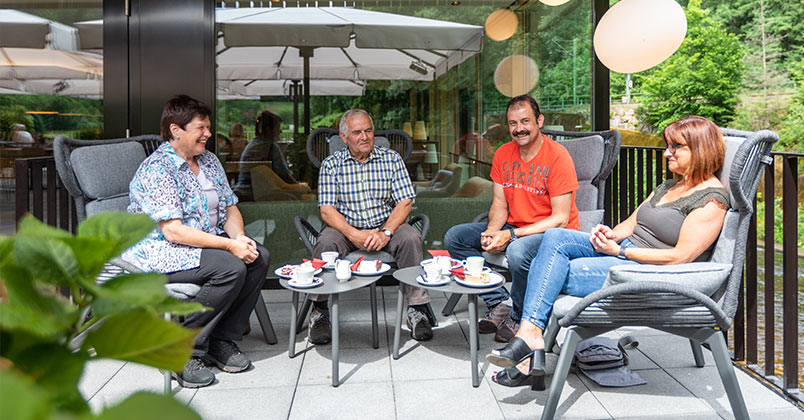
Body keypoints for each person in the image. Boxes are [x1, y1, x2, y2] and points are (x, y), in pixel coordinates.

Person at [486, 115, 730, 390]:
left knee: (549, 271)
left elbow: (680, 257)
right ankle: (531, 336)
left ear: (700, 150)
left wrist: (621, 253)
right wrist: (609, 235)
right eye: (668, 145)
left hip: (643, 270)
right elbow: (631, 223)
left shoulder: (711, 199)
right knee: (555, 238)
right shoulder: (669, 187)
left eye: (676, 147)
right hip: (621, 252)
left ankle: (529, 343)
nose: (667, 153)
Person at [123, 95, 270, 388]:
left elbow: (230, 207)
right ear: (176, 130)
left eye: (208, 127)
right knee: (230, 267)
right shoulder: (157, 169)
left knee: (258, 256)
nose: (209, 134)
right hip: (161, 251)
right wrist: (229, 246)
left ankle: (222, 340)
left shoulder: (210, 161)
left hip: (201, 244)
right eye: (201, 127)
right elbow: (173, 232)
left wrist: (239, 238)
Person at [444, 95, 581, 343]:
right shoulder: (503, 154)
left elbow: (560, 219)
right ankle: (499, 302)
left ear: (539, 121)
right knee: (455, 237)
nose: (519, 129)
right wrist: (492, 232)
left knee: (517, 252)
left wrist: (510, 236)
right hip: (514, 226)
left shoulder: (558, 157)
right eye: (512, 123)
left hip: (553, 234)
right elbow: (499, 203)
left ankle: (519, 315)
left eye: (525, 121)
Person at [308, 108, 434, 344]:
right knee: (326, 241)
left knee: (410, 238)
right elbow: (327, 209)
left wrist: (386, 232)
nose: (364, 137)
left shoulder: (391, 158)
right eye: (357, 132)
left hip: (386, 224)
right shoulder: (331, 164)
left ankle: (418, 309)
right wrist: (353, 234)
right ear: (344, 137)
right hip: (346, 227)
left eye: (368, 130)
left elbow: (405, 202)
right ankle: (320, 311)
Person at [235, 110, 307, 200]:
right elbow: (285, 176)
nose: (280, 131)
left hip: (242, 192)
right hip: (255, 194)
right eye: (278, 128)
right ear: (269, 130)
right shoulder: (270, 147)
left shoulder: (254, 143)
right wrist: (301, 187)